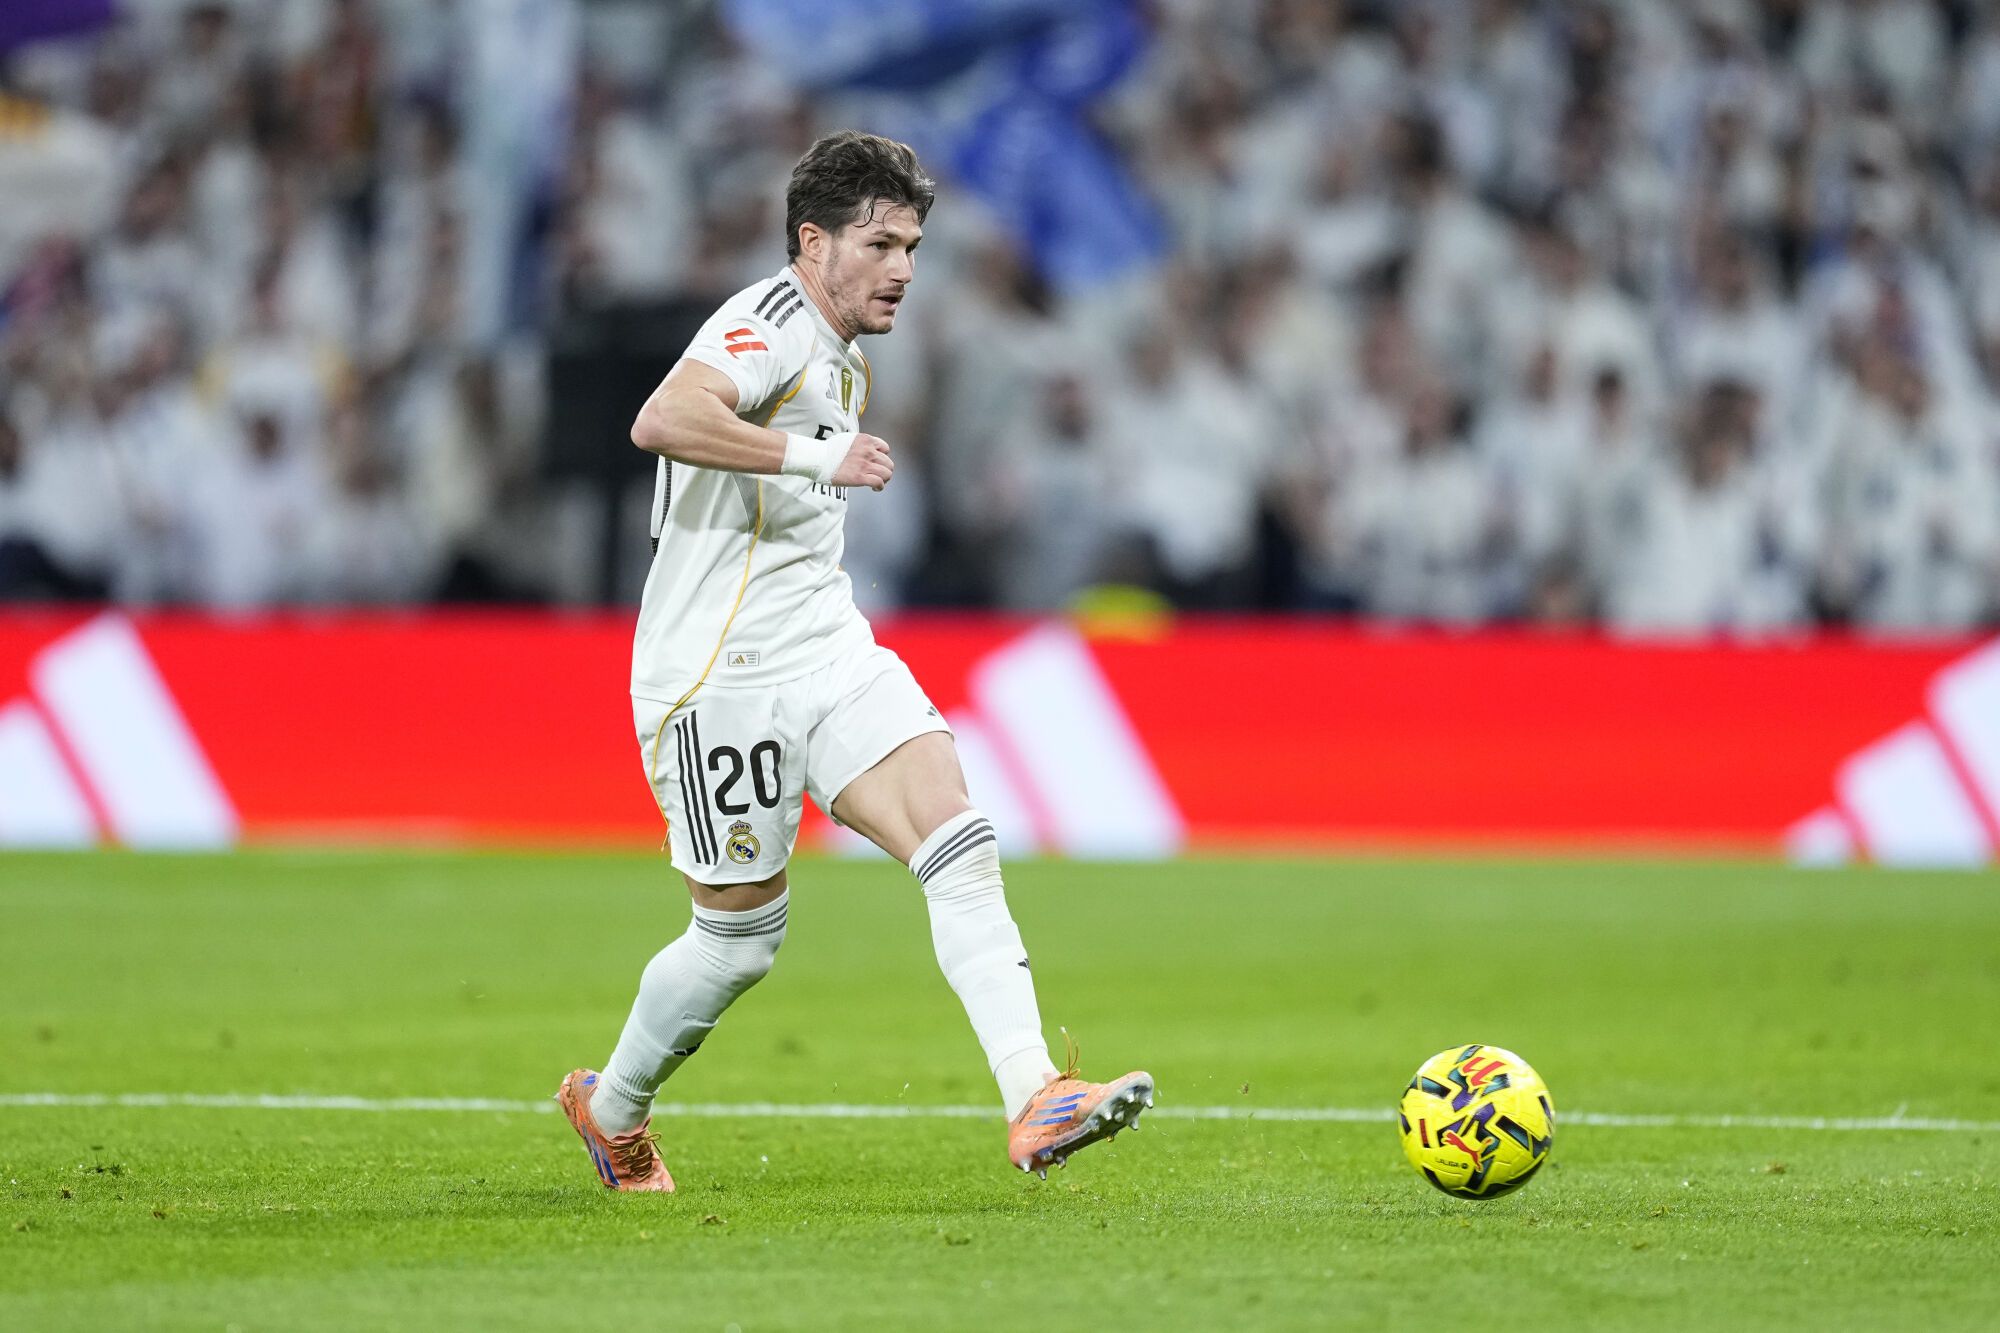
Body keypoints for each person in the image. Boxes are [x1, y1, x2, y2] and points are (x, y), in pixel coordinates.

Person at [556, 132, 1153, 1192]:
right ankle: (612, 1109)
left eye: (912, 247)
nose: (902, 269)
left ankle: (1034, 1094)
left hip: (824, 643)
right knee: (738, 941)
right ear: (812, 243)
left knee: (956, 835)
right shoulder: (766, 321)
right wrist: (812, 453)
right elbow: (664, 417)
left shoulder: (843, 352)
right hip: (716, 675)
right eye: (879, 245)